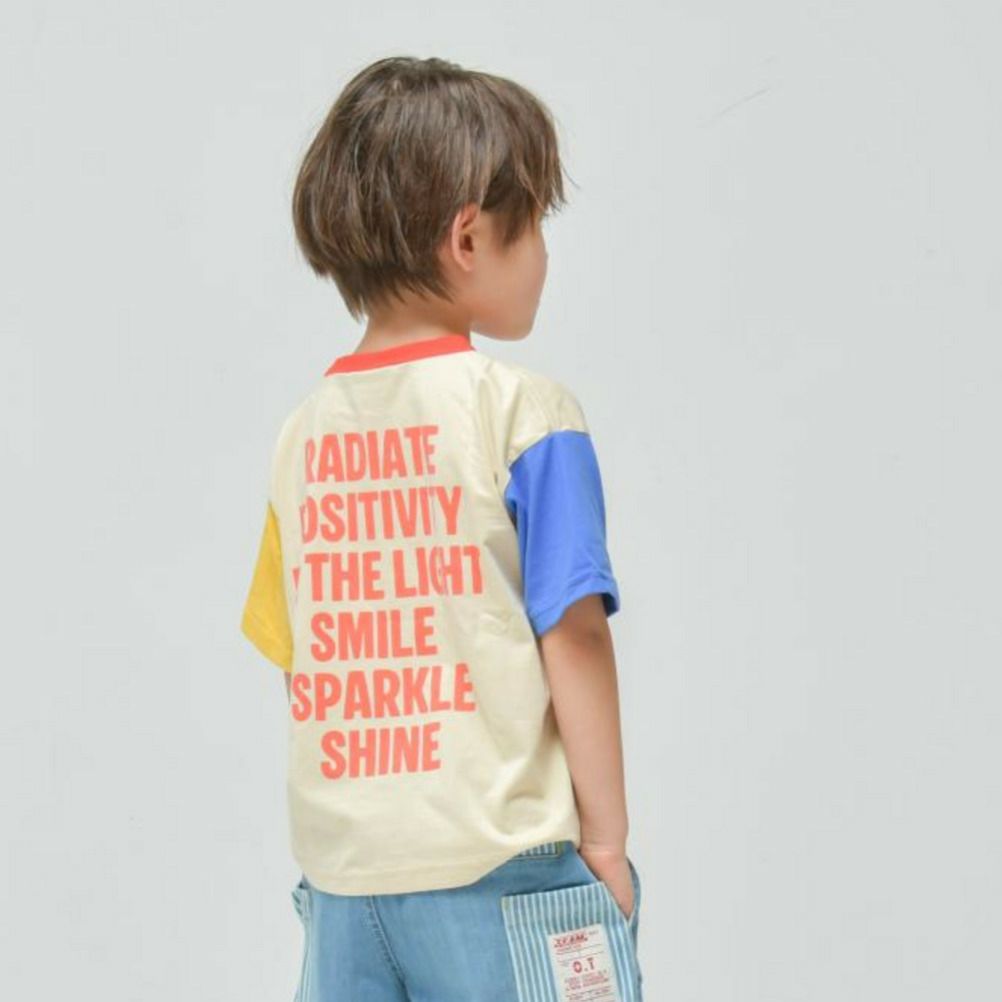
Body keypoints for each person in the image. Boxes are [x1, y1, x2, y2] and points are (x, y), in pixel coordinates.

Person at [240, 55, 644, 1002]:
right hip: (501, 871)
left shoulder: (302, 436)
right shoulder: (526, 416)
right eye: (532, 224)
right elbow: (574, 635)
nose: (542, 252)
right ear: (469, 238)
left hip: (346, 885)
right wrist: (607, 842)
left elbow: (300, 654)